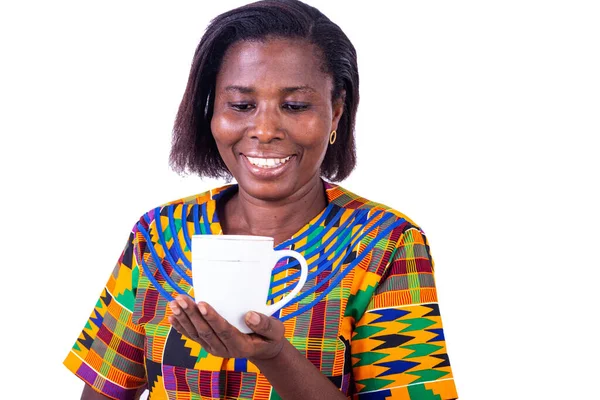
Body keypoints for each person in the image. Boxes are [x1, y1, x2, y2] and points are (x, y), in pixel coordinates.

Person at [64, 0, 458, 399]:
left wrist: (274, 355)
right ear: (211, 111)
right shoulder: (158, 235)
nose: (265, 129)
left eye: (295, 106)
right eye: (241, 105)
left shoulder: (385, 245)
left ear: (336, 112)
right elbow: (105, 389)